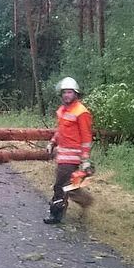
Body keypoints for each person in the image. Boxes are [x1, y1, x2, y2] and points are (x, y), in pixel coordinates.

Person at [44, 77, 93, 224]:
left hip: (72, 157)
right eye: (64, 92)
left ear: (76, 94)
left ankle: (56, 214)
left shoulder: (81, 112)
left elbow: (86, 137)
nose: (66, 95)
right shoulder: (62, 111)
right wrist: (52, 142)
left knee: (60, 186)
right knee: (69, 186)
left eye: (69, 92)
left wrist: (85, 159)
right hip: (62, 156)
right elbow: (61, 130)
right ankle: (85, 201)